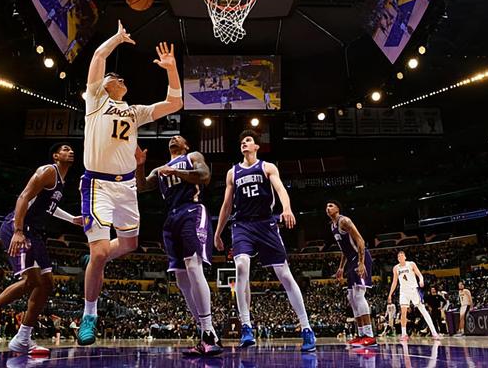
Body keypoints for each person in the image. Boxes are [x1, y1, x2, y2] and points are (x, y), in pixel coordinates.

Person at [78, 21, 182, 345]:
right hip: (97, 185)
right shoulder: (95, 101)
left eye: (122, 78)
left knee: (129, 245)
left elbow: (174, 104)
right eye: (115, 77)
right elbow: (98, 56)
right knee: (99, 253)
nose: (120, 79)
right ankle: (89, 315)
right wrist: (118, 39)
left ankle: (97, 260)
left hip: (126, 188)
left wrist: (171, 69)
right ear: (104, 84)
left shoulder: (134, 112)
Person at [0, 144, 81, 355]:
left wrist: (72, 219)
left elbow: (48, 207)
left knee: (47, 284)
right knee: (30, 281)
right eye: (65, 149)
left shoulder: (61, 181)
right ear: (55, 155)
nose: (70, 152)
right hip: (19, 228)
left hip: (35, 233)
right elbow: (24, 196)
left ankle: (23, 338)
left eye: (71, 149)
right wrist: (18, 230)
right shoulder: (48, 171)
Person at [214, 130, 316, 352]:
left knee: (284, 275)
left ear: (257, 146)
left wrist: (287, 208)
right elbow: (226, 205)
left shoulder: (267, 167)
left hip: (266, 223)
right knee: (241, 266)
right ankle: (246, 326)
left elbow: (280, 189)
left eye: (248, 140)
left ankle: (307, 328)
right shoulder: (233, 172)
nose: (244, 143)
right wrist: (218, 232)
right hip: (242, 225)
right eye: (242, 141)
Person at [135, 135, 222, 356]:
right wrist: (140, 165)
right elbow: (141, 186)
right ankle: (206, 333)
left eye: (179, 137)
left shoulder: (192, 157)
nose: (174, 138)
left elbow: (204, 176)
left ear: (186, 145)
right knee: (181, 280)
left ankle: (208, 331)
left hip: (192, 210)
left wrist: (175, 171)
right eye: (172, 138)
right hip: (171, 217)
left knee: (193, 266)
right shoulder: (160, 169)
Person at [325, 200, 376, 347]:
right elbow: (344, 250)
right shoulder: (333, 226)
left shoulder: (344, 221)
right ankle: (360, 334)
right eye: (326, 206)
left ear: (338, 208)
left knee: (359, 295)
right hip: (351, 260)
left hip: (360, 258)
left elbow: (360, 240)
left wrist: (361, 262)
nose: (327, 208)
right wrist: (341, 267)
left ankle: (369, 335)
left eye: (331, 205)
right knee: (351, 298)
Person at [387, 251, 440, 341]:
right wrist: (390, 294)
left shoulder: (411, 264)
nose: (400, 257)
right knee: (403, 312)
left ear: (405, 257)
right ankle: (404, 334)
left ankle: (434, 332)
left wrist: (421, 280)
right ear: (397, 259)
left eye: (402, 255)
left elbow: (420, 275)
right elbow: (394, 282)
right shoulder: (396, 268)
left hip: (413, 290)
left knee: (423, 310)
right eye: (398, 256)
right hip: (403, 292)